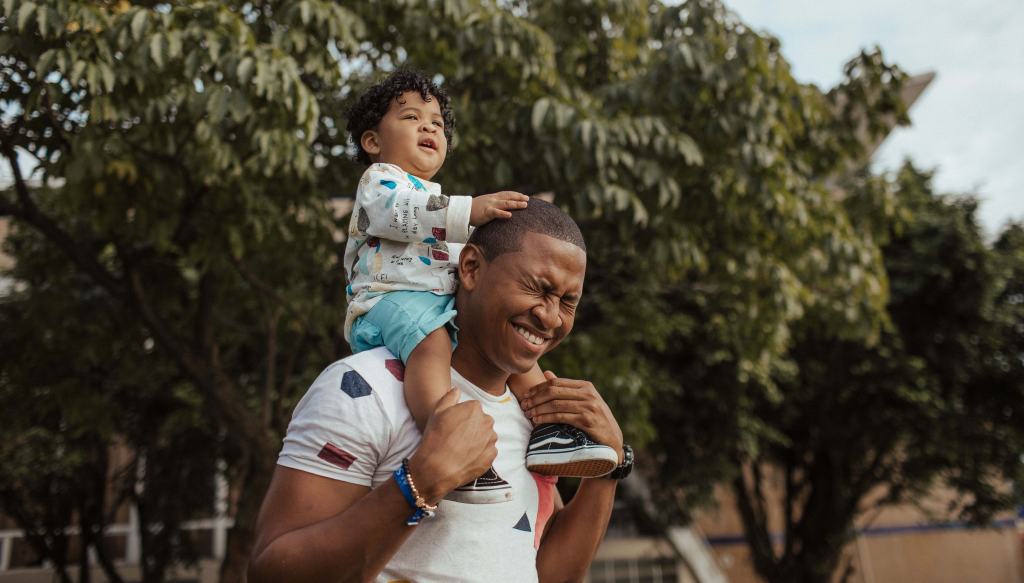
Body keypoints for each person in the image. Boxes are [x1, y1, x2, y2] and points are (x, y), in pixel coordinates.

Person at [248, 198, 634, 582]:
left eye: (568, 301)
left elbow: (546, 574)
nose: (550, 317)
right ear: (471, 268)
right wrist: (419, 483)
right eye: (537, 288)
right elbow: (270, 572)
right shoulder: (364, 388)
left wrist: (610, 465)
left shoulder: (533, 417)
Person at [341, 69, 617, 503]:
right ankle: (448, 438)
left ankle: (551, 432)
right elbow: (400, 212)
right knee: (431, 344)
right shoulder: (381, 185)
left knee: (519, 357)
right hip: (386, 300)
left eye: (436, 123)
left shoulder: (434, 199)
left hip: (432, 301)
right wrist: (472, 210)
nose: (429, 127)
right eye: (411, 118)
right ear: (373, 141)